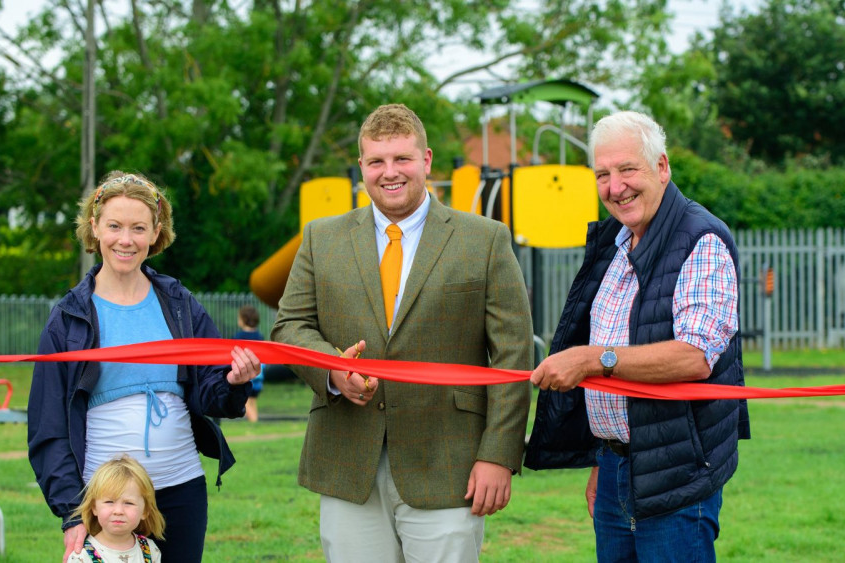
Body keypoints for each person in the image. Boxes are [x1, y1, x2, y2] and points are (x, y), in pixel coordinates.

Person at [271, 103, 533, 562]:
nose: (390, 172)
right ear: (361, 168)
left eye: (402, 159)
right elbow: (289, 327)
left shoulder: (485, 239)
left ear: (426, 160)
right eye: (377, 161)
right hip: (347, 463)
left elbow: (513, 356)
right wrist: (334, 371)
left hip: (450, 465)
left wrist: (499, 453)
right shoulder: (320, 238)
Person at [524, 111, 750, 562]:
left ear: (661, 167)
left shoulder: (701, 239)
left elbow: (695, 357)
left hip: (677, 473)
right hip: (615, 468)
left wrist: (592, 360)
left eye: (628, 169)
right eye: (602, 174)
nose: (614, 186)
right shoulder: (616, 241)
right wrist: (602, 461)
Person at [28, 170, 262, 563]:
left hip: (180, 490)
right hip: (106, 503)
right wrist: (72, 511)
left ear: (156, 232)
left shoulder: (179, 302)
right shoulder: (68, 318)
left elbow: (212, 390)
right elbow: (47, 425)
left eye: (139, 228)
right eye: (115, 226)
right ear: (95, 227)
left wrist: (235, 380)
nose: (126, 239)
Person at [67, 455, 164, 563]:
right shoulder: (82, 557)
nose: (118, 511)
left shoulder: (149, 550)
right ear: (94, 507)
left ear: (145, 511)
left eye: (129, 503)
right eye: (109, 502)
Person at [233, 304, 266, 422]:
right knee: (253, 400)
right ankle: (255, 419)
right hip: (259, 374)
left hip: (246, 374)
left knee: (245, 401)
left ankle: (254, 422)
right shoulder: (259, 336)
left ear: (243, 319)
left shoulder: (239, 336)